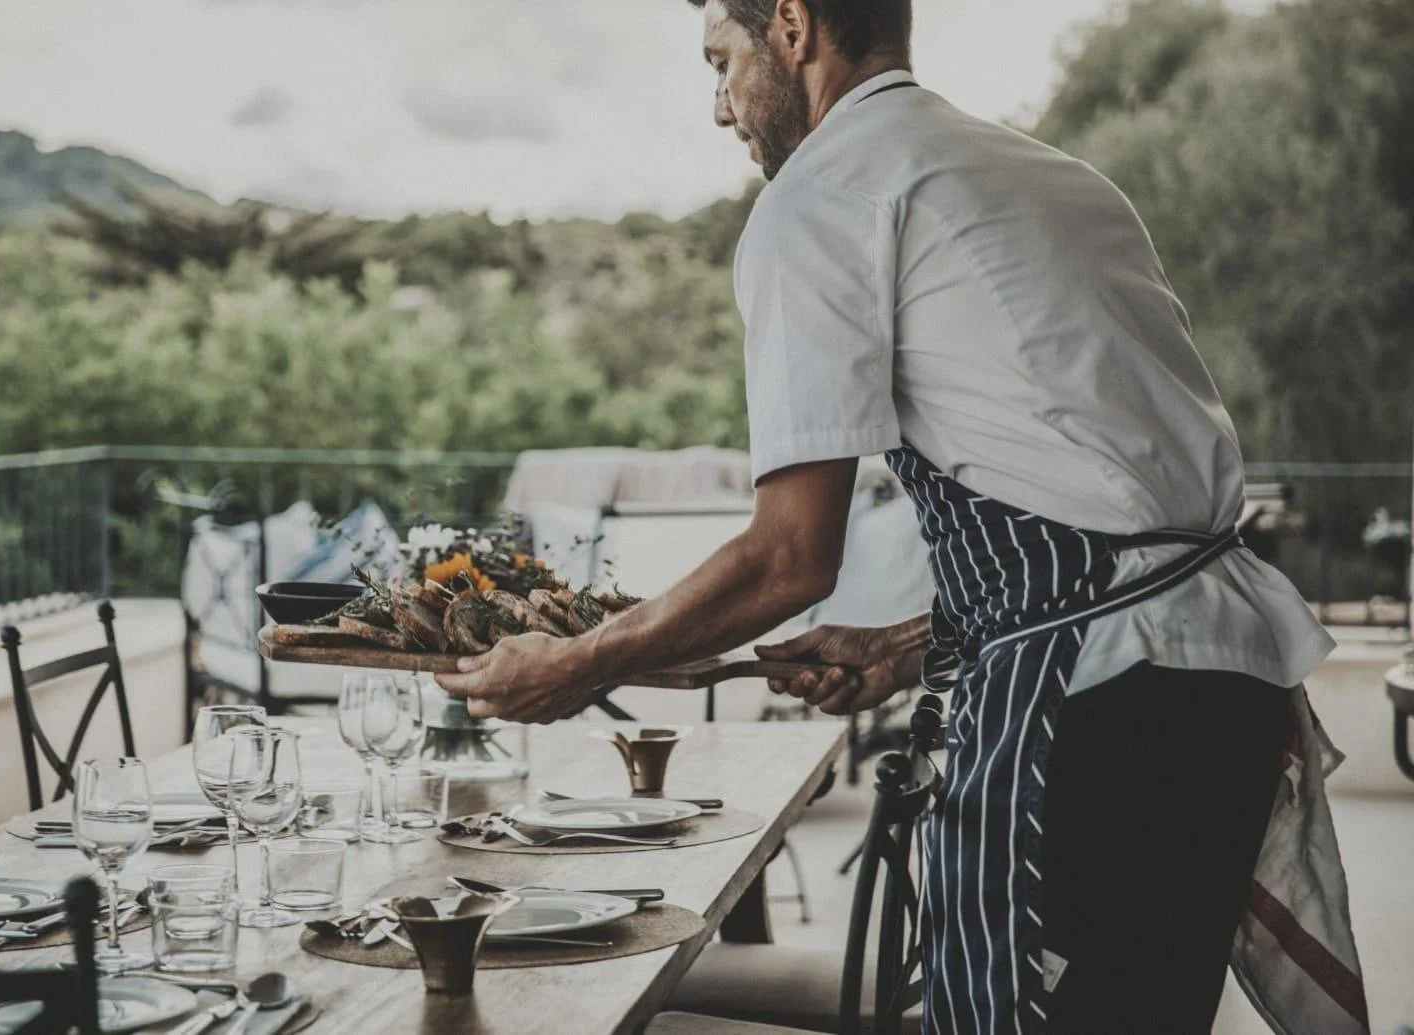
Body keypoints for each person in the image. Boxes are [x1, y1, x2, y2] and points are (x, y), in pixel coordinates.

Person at [438, 1, 1365, 1032]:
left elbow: (788, 558)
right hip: (1221, 689)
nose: (718, 108)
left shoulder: (820, 198)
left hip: (1090, 717)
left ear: (790, 25)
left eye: (721, 63)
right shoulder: (1057, 179)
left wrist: (577, 664)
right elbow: (1121, 519)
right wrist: (906, 644)